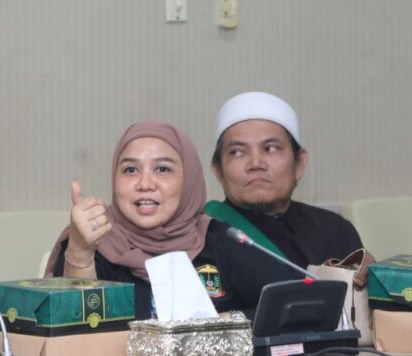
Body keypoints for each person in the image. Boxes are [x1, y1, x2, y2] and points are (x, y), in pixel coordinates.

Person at [44, 120, 300, 319]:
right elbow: (70, 333)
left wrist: (223, 323)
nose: (145, 184)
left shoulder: (214, 239)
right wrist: (79, 253)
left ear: (188, 181)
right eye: (130, 170)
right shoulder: (96, 241)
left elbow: (295, 303)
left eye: (162, 169)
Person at [205, 92, 364, 269]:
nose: (256, 163)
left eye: (271, 148)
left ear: (299, 163)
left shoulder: (335, 231)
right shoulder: (203, 237)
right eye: (237, 152)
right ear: (218, 171)